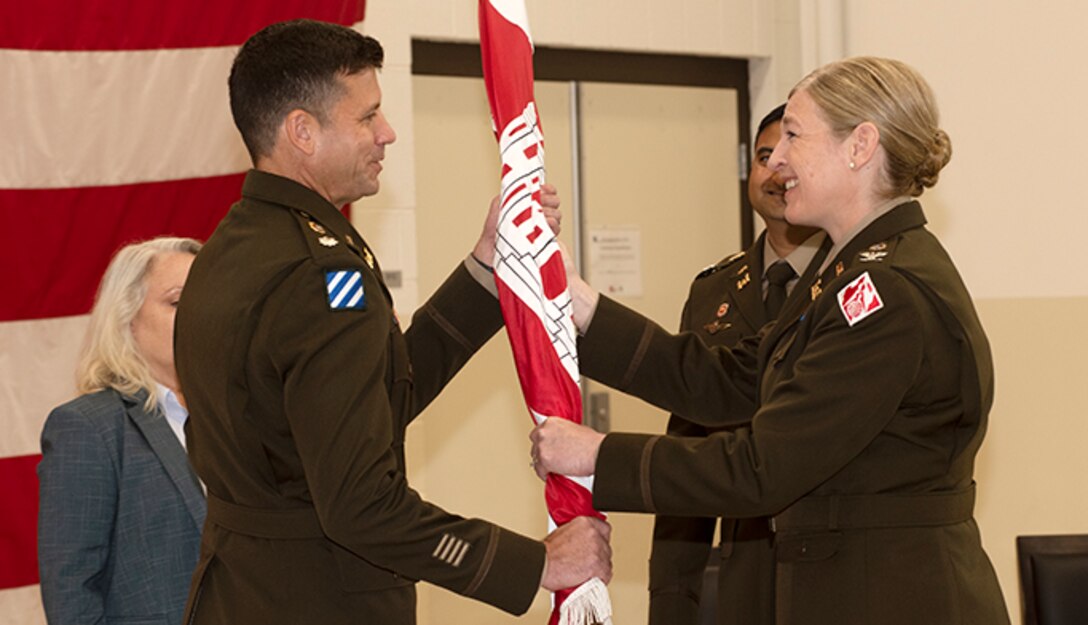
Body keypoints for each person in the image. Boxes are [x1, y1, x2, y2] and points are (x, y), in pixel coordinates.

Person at [531, 56, 1011, 625]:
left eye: (794, 136)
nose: (776, 159)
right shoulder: (845, 268)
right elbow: (732, 381)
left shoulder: (886, 292)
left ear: (859, 147)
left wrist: (597, 456)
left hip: (892, 595)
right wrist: (577, 302)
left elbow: (763, 467)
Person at [173, 19, 610, 625]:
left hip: (241, 595)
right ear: (302, 131)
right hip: (321, 601)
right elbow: (361, 505)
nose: (388, 134)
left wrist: (488, 265)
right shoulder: (315, 274)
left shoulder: (229, 249)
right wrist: (531, 564)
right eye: (367, 117)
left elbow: (369, 403)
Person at [648, 103, 825, 625]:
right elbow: (689, 444)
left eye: (788, 154)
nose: (774, 169)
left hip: (834, 564)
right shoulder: (714, 291)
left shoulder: (852, 279)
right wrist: (672, 601)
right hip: (745, 568)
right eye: (764, 155)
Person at [38, 237, 206, 625]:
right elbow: (71, 595)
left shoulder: (235, 422)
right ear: (127, 317)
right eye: (178, 301)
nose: (200, 313)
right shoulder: (88, 427)